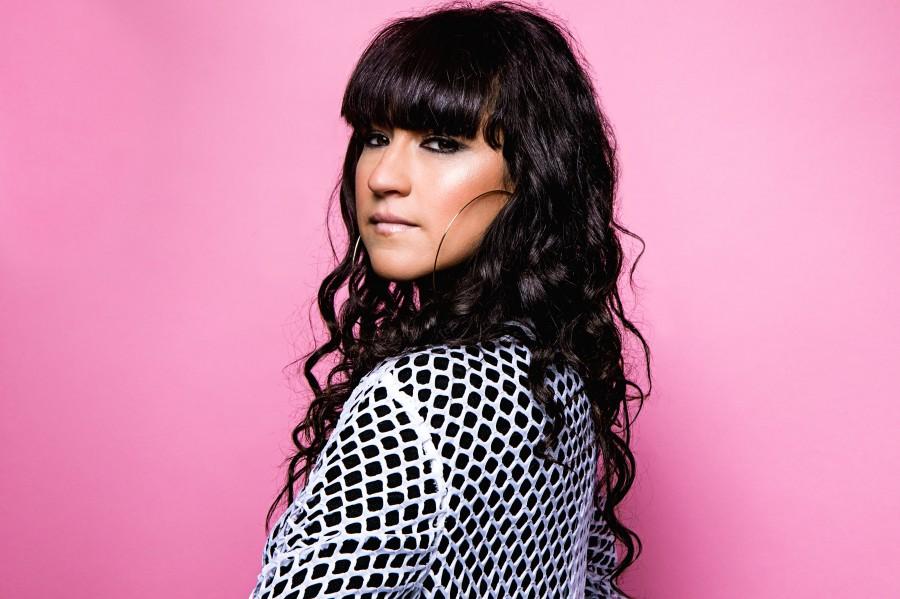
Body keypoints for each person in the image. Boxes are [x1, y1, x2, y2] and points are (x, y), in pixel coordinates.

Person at [248, 1, 651, 597]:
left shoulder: (417, 399)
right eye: (376, 137)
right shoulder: (556, 372)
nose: (384, 176)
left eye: (440, 143)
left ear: (531, 173)